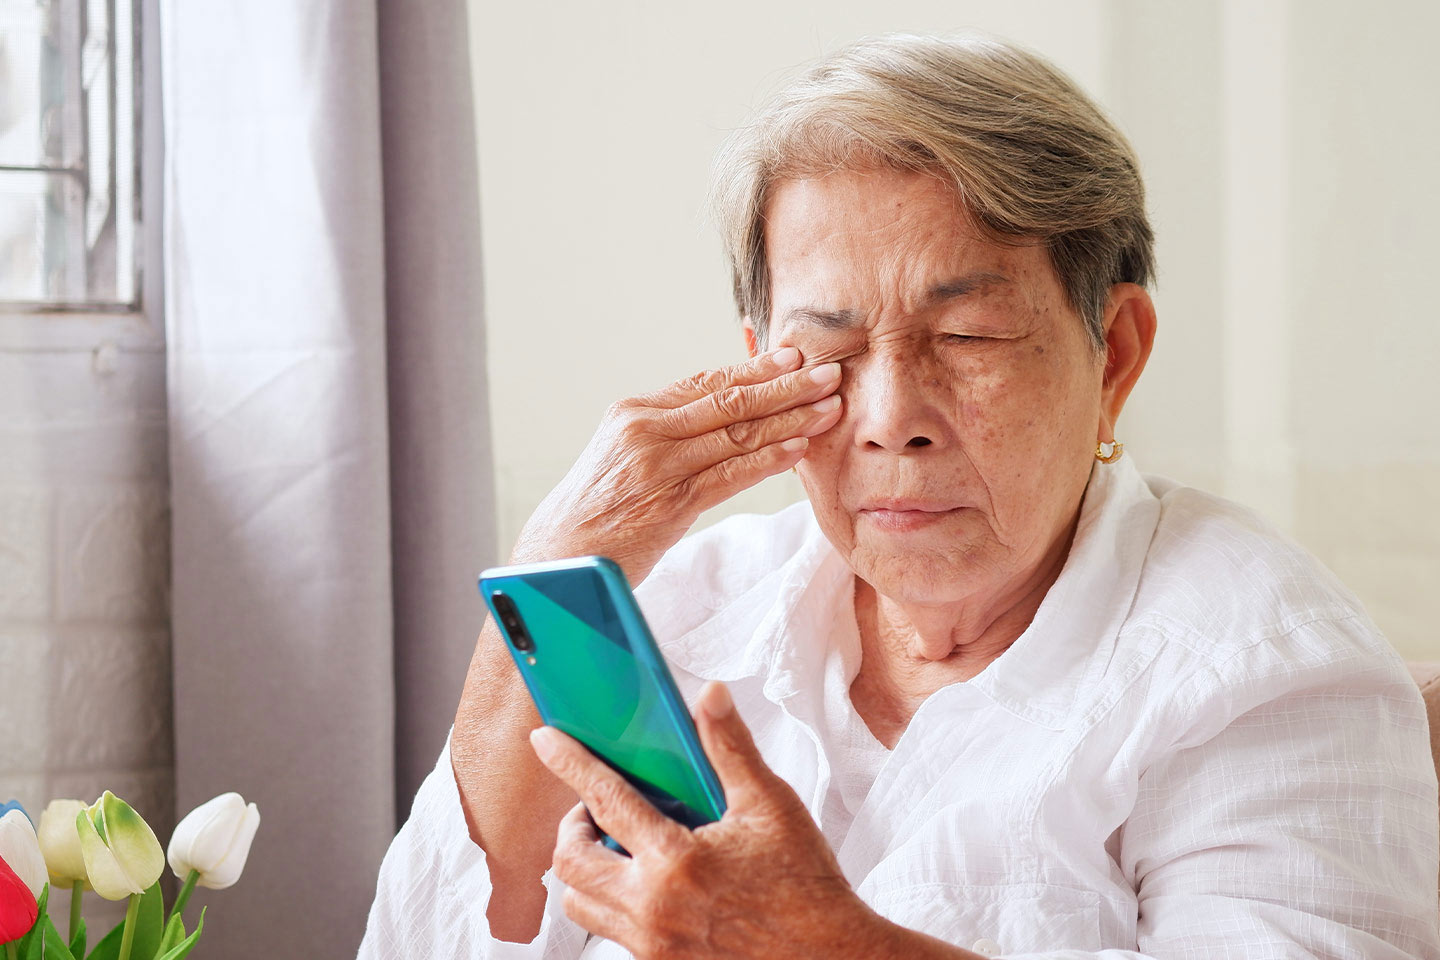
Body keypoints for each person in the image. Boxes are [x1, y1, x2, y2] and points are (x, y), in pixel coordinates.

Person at [358, 33, 1440, 959]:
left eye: (966, 337)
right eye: (826, 350)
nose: (891, 416)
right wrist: (550, 568)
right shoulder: (682, 613)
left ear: (1113, 353)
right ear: (759, 364)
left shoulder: (1263, 672)